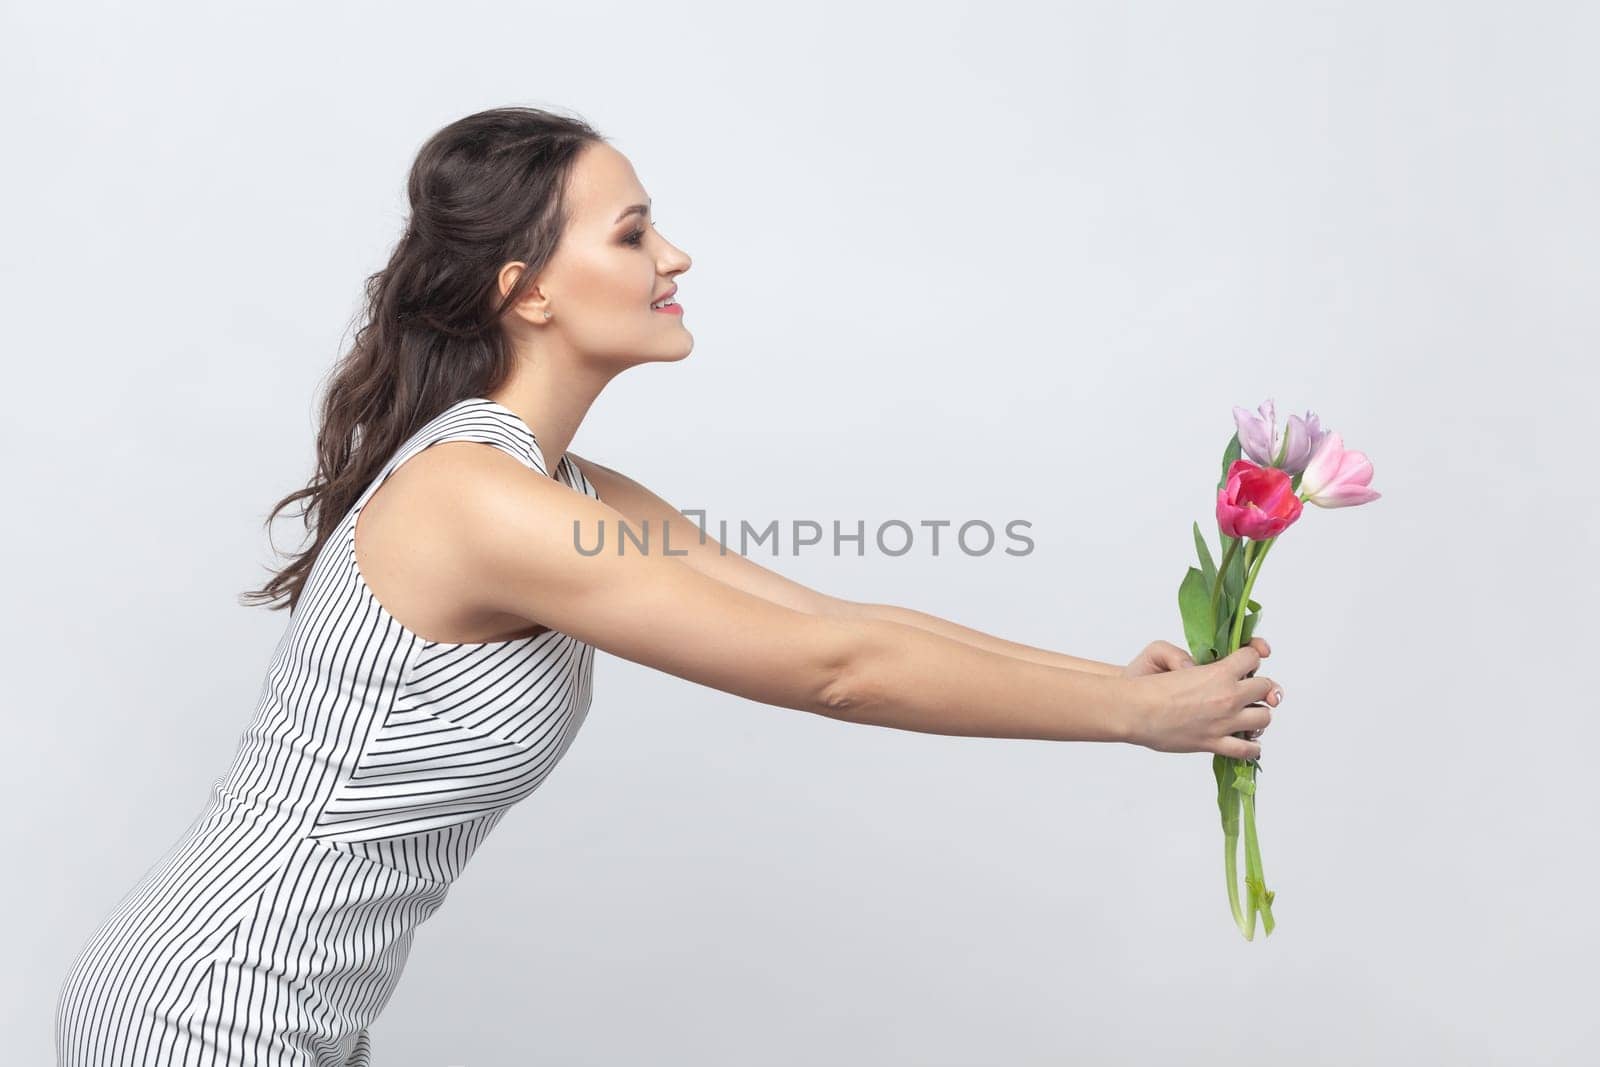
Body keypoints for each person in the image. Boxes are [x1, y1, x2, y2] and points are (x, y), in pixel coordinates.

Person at [54, 105, 1283, 1065]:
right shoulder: (474, 503)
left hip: (292, 1001)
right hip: (207, 1005)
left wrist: (1118, 689)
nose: (674, 252)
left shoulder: (566, 489)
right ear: (527, 290)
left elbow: (830, 619)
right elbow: (833, 676)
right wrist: (1127, 722)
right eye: (633, 231)